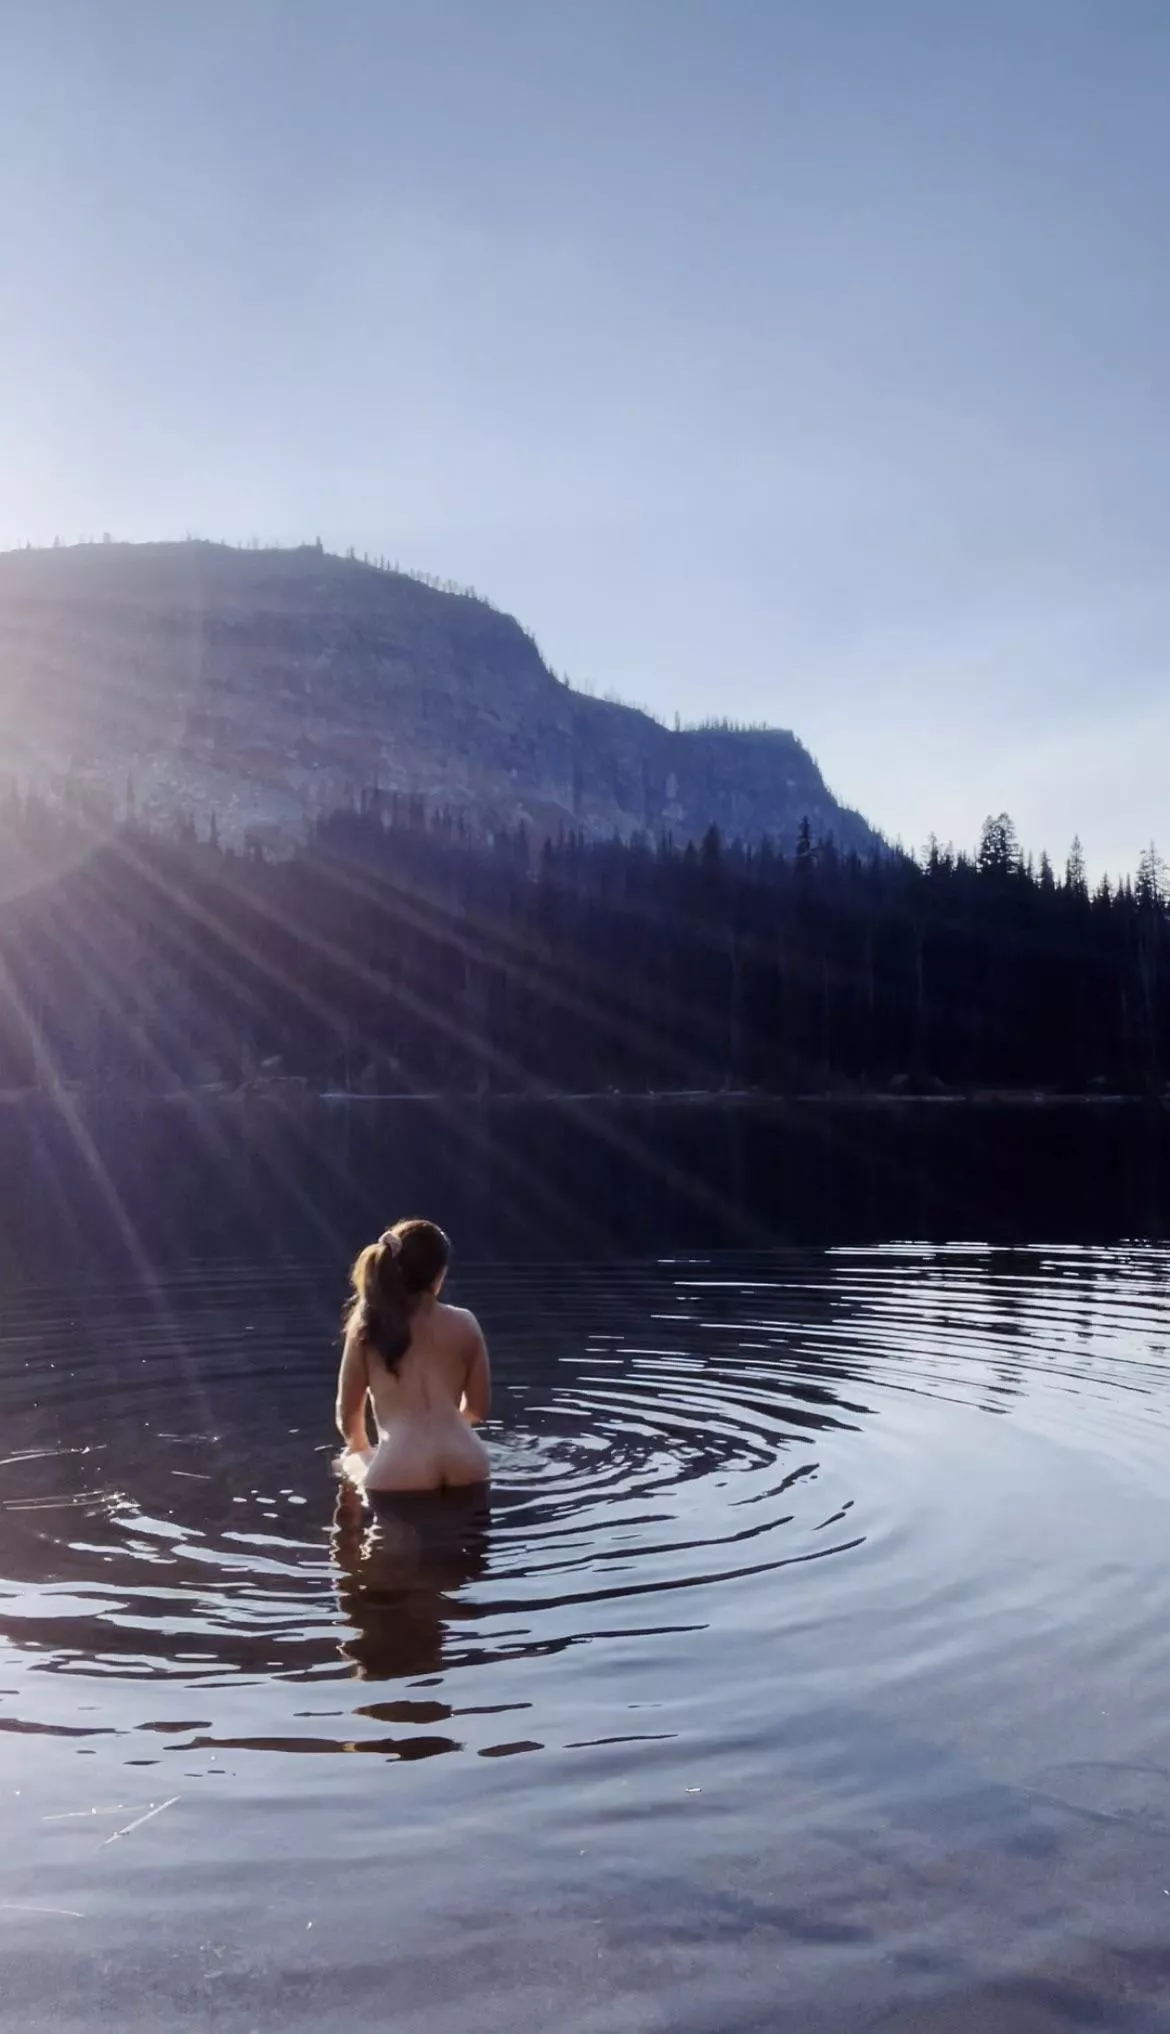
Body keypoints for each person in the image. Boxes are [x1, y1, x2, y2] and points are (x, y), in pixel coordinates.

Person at [334, 1218, 491, 1494]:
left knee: (345, 1462)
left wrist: (360, 1452)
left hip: (399, 1471)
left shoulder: (367, 1326)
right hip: (470, 1463)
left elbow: (348, 1416)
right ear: (440, 1274)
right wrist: (440, 1430)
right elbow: (478, 1408)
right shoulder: (466, 1323)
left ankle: (348, 1527)